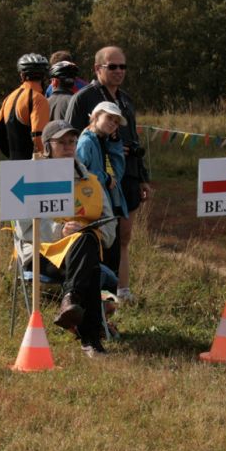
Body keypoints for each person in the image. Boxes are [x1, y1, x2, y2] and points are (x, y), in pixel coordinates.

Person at [13, 120, 117, 357]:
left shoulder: (90, 180)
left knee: (87, 243)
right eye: (62, 142)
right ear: (47, 147)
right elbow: (23, 228)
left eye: (72, 141)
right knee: (91, 266)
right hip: (40, 253)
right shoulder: (30, 176)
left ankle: (71, 299)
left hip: (81, 251)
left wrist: (93, 232)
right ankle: (90, 339)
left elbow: (110, 222)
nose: (69, 147)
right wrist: (58, 231)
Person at [65, 46, 150, 302]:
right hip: (92, 180)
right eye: (112, 66)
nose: (119, 71)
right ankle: (89, 291)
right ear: (97, 68)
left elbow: (134, 137)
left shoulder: (126, 100)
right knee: (95, 235)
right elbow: (68, 138)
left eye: (123, 66)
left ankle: (121, 290)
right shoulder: (82, 98)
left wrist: (144, 176)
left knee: (123, 234)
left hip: (128, 175)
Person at [76, 101, 129, 289]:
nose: (112, 124)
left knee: (112, 253)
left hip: (109, 202)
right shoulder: (86, 141)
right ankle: (102, 302)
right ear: (96, 116)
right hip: (95, 205)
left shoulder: (103, 140)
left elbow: (118, 172)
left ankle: (108, 302)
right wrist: (103, 177)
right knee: (104, 255)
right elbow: (80, 171)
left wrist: (115, 143)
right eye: (109, 119)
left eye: (116, 122)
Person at [0, 53, 50, 160]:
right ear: (43, 77)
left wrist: (11, 154)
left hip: (14, 162)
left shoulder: (9, 98)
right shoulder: (39, 99)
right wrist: (48, 157)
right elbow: (38, 136)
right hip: (34, 165)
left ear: (22, 76)